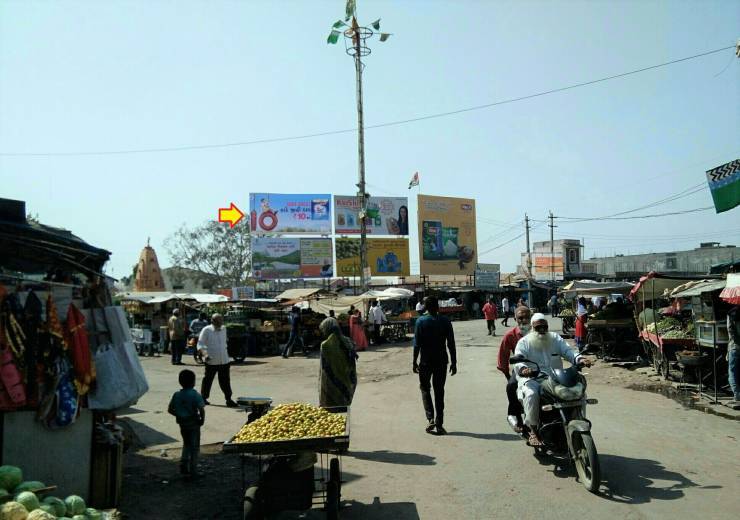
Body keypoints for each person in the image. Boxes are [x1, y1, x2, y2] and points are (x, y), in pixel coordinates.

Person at [514, 313, 591, 446]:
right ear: (532, 328)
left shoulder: (554, 338)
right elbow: (518, 360)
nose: (542, 330)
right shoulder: (524, 342)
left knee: (578, 391)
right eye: (538, 327)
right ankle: (533, 430)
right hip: (533, 378)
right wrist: (523, 369)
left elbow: (568, 351)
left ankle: (578, 418)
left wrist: (579, 359)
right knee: (532, 395)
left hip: (555, 378)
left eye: (545, 326)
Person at [412, 296, 457, 435]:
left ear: (425, 307)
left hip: (425, 361)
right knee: (439, 391)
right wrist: (454, 362)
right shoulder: (445, 321)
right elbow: (451, 343)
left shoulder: (420, 321)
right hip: (441, 361)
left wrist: (414, 361)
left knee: (425, 389)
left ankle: (430, 418)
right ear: (438, 306)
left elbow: (417, 344)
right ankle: (439, 423)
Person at [497, 306, 532, 432]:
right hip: (520, 369)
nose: (524, 320)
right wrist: (507, 375)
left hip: (541, 367)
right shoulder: (510, 335)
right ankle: (516, 416)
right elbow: (503, 355)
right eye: (520, 318)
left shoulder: (538, 331)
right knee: (511, 386)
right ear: (515, 319)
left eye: (526, 317)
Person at [167, 369, 205, 478]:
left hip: (182, 423)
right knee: (194, 447)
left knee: (186, 443)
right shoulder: (195, 395)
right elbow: (201, 409)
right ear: (193, 382)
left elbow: (170, 410)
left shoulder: (177, 395)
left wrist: (180, 415)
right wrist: (202, 419)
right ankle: (193, 470)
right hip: (193, 423)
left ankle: (183, 464)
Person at [197, 313, 237, 407]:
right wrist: (205, 354)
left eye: (221, 321)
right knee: (208, 380)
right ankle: (203, 398)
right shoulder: (206, 330)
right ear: (212, 321)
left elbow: (224, 342)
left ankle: (228, 399)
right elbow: (200, 344)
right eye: (218, 321)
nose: (220, 323)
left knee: (225, 381)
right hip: (211, 360)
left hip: (224, 360)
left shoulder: (224, 329)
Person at [318, 318, 358, 407]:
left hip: (332, 383)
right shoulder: (347, 341)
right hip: (347, 381)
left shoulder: (325, 345)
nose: (323, 332)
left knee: (332, 409)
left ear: (327, 329)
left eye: (323, 329)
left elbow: (325, 370)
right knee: (344, 406)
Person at [728, 306, 739, 402]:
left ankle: (737, 395)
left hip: (735, 347)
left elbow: (730, 330)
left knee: (732, 372)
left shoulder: (731, 313)